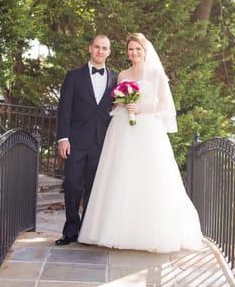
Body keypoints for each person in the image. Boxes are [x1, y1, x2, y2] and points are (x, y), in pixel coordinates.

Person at [78, 33, 202, 253]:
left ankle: (149, 233)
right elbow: (115, 103)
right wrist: (122, 104)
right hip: (123, 130)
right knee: (121, 177)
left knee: (149, 178)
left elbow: (165, 107)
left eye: (137, 49)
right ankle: (115, 230)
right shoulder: (123, 74)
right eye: (130, 49)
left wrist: (141, 109)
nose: (133, 53)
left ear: (145, 51)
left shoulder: (156, 74)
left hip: (147, 130)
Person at [55, 35, 117, 246]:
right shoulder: (73, 76)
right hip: (76, 141)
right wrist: (63, 138)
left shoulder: (116, 79)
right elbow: (64, 109)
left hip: (102, 141)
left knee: (94, 186)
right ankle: (71, 229)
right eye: (97, 47)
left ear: (109, 52)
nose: (100, 51)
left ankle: (88, 232)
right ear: (90, 48)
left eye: (104, 48)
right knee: (72, 184)